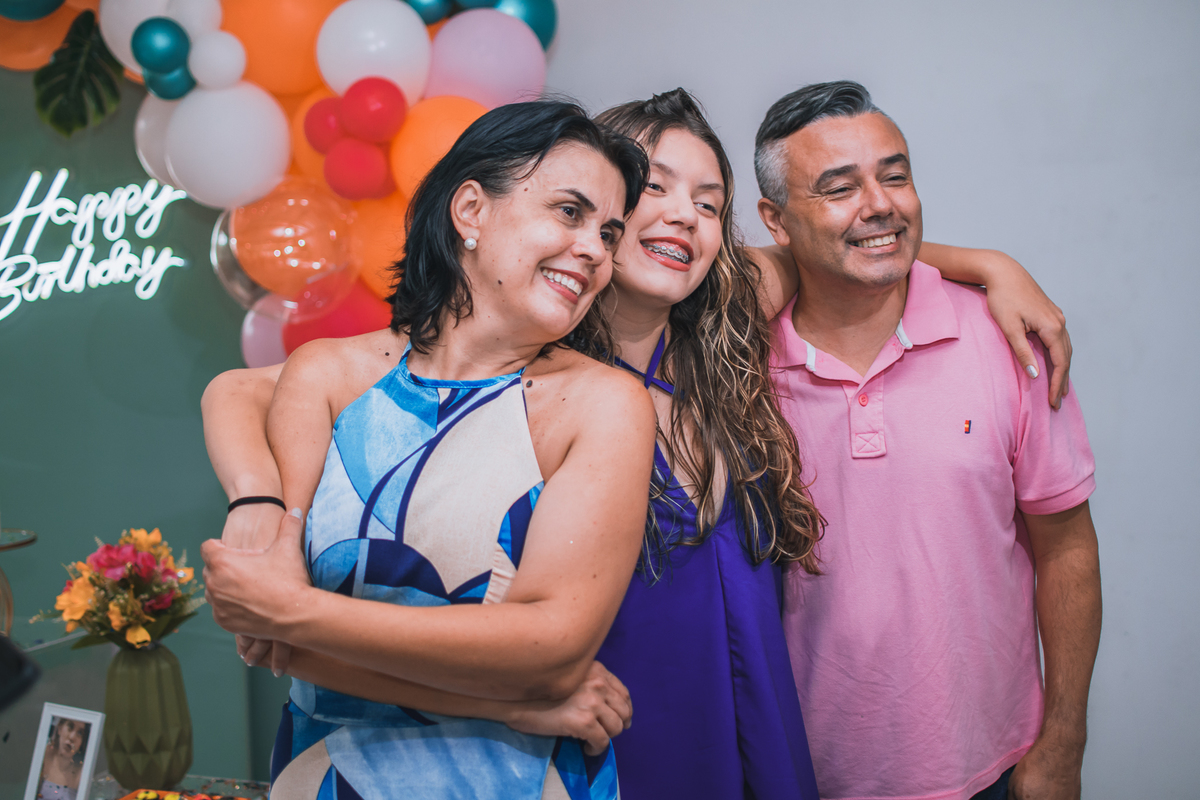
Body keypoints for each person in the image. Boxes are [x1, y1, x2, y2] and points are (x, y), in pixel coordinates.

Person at [203, 91, 1075, 800]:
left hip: (746, 714)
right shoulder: (523, 366)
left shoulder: (730, 315)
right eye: (653, 191)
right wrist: (257, 505)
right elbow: (245, 390)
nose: (684, 219)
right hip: (600, 716)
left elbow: (847, 241)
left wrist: (993, 265)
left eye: (710, 202)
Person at [201, 100, 658, 799]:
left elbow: (553, 651)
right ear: (471, 210)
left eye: (609, 231)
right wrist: (500, 700)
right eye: (570, 212)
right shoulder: (327, 376)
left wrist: (299, 612)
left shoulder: (601, 406)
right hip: (327, 774)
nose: (596, 249)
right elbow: (271, 643)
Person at [755, 80, 1102, 800]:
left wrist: (1064, 742)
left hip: (991, 770)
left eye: (895, 174)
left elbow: (1066, 548)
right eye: (838, 187)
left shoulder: (1012, 340)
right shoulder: (738, 366)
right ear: (776, 221)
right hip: (798, 775)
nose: (880, 203)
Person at [37, 717, 87, 800]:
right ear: (60, 728)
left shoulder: (83, 773)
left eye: (80, 733)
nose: (72, 737)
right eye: (70, 727)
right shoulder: (43, 755)